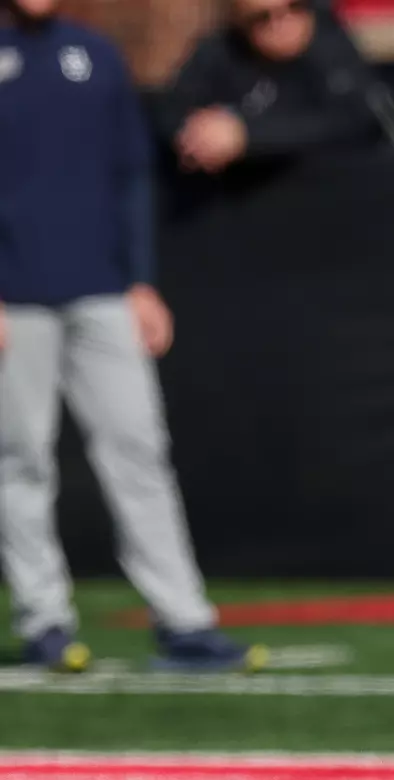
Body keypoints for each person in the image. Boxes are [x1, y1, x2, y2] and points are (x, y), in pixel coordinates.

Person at [0, 0, 260, 671]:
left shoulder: (97, 56)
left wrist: (141, 281)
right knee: (20, 458)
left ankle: (184, 621)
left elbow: (131, 173)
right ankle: (45, 623)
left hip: (102, 290)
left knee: (139, 450)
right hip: (14, 300)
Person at [157, 0, 394, 177]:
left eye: (294, 8)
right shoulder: (221, 52)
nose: (281, 24)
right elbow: (171, 112)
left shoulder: (329, 45)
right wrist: (199, 135)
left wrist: (246, 136)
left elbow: (352, 119)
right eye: (262, 18)